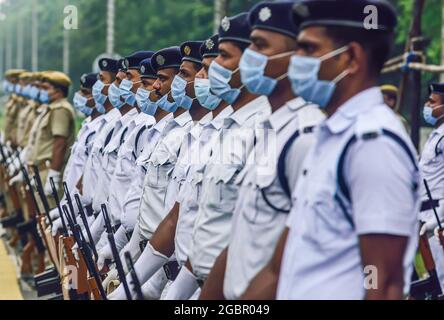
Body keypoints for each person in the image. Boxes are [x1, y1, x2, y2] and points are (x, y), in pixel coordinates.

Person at [242, 0, 420, 300]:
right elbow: (280, 266)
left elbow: (381, 281)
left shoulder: (372, 144)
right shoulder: (331, 136)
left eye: (309, 50)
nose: (296, 60)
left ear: (350, 58)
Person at [200, 1, 325, 300]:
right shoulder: (270, 129)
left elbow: (296, 256)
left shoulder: (307, 136)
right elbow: (241, 237)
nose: (249, 59)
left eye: (259, 46)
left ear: (297, 56)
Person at [187, 12, 271, 295]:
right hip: (205, 282)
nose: (210, 72)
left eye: (223, 57)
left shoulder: (264, 130)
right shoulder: (227, 127)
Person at [418, 82, 444, 291]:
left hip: (438, 220)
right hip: (426, 218)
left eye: (432, 102)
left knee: (442, 284)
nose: (427, 105)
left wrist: (440, 221)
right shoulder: (435, 136)